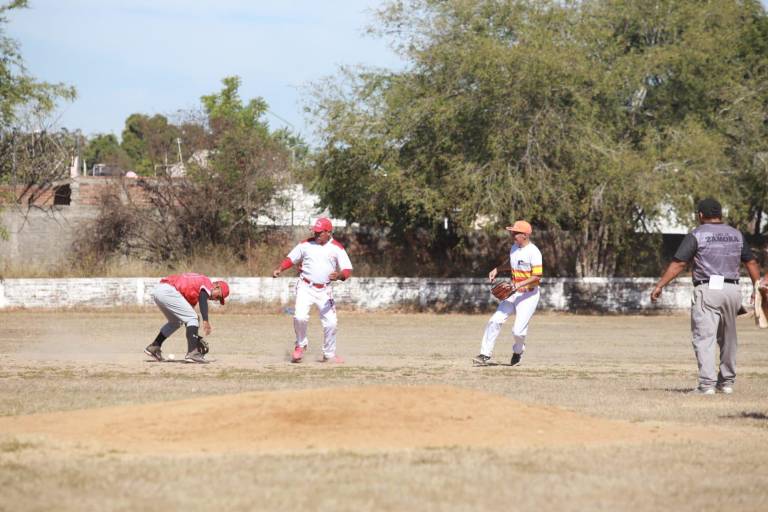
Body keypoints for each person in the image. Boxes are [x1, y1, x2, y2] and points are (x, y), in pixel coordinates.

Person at [651, 198, 760, 395]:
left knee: (705, 338)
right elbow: (751, 263)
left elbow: (679, 264)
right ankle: (726, 383)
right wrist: (757, 287)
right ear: (721, 214)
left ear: (700, 215)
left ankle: (706, 385)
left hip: (708, 290)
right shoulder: (736, 235)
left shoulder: (697, 234)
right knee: (729, 339)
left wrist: (660, 285)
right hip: (733, 291)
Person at [272, 217, 353, 363]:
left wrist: (339, 275)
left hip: (324, 290)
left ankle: (329, 354)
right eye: (315, 232)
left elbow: (348, 269)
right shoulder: (305, 245)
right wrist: (280, 269)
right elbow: (291, 258)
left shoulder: (337, 247)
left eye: (319, 232)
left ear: (328, 232)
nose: (316, 235)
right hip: (305, 286)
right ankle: (300, 345)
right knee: (300, 317)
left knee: (331, 323)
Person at [473, 220, 543, 366]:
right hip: (513, 292)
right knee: (495, 320)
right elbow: (512, 265)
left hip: (529, 295)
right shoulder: (514, 248)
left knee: (518, 331)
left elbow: (537, 276)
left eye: (515, 233)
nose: (512, 234)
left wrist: (518, 284)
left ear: (524, 235)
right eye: (512, 232)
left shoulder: (534, 252)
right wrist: (497, 269)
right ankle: (485, 354)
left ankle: (518, 351)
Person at [144, 273, 230, 364]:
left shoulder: (194, 294)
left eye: (219, 299)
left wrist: (195, 338)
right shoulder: (207, 282)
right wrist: (205, 320)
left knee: (176, 322)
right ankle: (193, 353)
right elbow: (202, 298)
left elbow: (186, 320)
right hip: (168, 290)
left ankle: (154, 346)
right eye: (219, 296)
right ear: (216, 286)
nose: (216, 299)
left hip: (159, 291)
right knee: (194, 317)